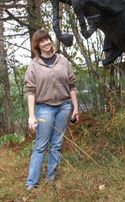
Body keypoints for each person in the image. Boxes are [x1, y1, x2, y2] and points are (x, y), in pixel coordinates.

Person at [24, 29, 79, 191]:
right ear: (37, 45)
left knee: (57, 144)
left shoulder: (63, 60)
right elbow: (31, 92)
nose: (46, 43)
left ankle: (51, 178)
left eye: (47, 39)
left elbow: (72, 86)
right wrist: (31, 116)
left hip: (64, 106)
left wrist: (75, 108)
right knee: (41, 145)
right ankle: (31, 183)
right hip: (44, 108)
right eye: (42, 41)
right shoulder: (34, 65)